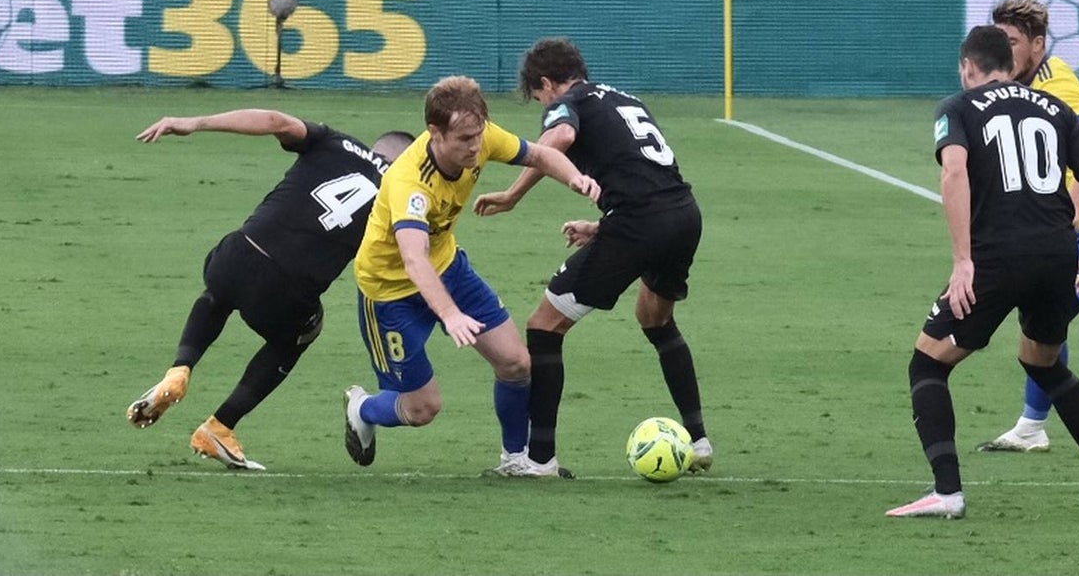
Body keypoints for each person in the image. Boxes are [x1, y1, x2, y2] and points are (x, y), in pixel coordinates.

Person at [472, 37, 712, 476]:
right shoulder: (622, 97)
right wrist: (603, 226)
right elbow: (645, 174)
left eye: (539, 96)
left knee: (544, 326)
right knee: (655, 319)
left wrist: (511, 195)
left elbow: (559, 138)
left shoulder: (569, 102)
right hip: (682, 215)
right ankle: (698, 440)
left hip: (639, 223)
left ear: (547, 83)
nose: (542, 103)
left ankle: (540, 461)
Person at [886, 25, 1079, 518]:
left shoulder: (958, 107)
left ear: (968, 67)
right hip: (1057, 253)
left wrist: (963, 262)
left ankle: (947, 493)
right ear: (1011, 62)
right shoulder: (1054, 107)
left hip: (998, 259)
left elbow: (954, 171)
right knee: (1042, 362)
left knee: (927, 364)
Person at [126, 108, 413, 470]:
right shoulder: (401, 192)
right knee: (302, 334)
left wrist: (195, 123)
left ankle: (180, 369)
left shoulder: (332, 141)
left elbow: (276, 121)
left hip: (239, 252)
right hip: (286, 289)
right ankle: (220, 426)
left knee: (218, 294)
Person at [342, 75, 600, 476]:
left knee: (516, 363)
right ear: (435, 133)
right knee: (421, 408)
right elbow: (414, 260)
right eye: (464, 139)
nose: (475, 146)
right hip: (389, 293)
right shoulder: (410, 184)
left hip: (449, 269)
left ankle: (515, 459)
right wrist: (450, 314)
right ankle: (362, 408)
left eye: (478, 135)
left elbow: (540, 155)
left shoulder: (479, 136)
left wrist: (573, 177)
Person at [977, 0, 1079, 453]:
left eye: (1013, 41)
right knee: (1042, 327)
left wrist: (1070, 212)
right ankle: (1032, 426)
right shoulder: (1023, 83)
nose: (1004, 49)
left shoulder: (1056, 83)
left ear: (1038, 44)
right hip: (1058, 233)